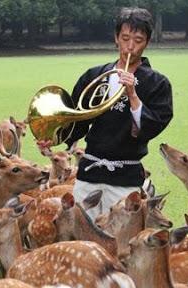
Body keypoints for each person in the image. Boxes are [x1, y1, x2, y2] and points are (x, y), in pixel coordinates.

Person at [63, 7, 173, 220]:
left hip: (126, 179)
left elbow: (151, 127)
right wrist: (54, 136)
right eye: (125, 38)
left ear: (147, 43)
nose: (130, 46)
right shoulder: (95, 76)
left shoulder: (157, 83)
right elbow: (77, 120)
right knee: (84, 242)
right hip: (89, 175)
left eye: (138, 40)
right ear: (116, 38)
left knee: (123, 245)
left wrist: (133, 94)